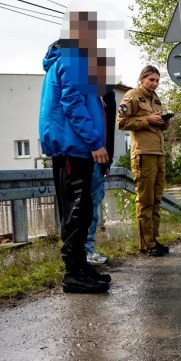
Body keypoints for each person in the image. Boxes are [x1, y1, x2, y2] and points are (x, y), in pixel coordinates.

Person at [38, 10, 111, 293]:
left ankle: (81, 266)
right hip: (74, 146)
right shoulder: (72, 60)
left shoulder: (70, 59)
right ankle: (74, 272)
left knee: (82, 209)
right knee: (77, 211)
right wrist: (95, 142)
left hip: (75, 146)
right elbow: (72, 105)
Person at [117, 65, 171, 256]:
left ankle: (153, 239)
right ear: (142, 79)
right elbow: (121, 123)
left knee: (156, 199)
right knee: (145, 199)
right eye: (151, 80)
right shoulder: (131, 97)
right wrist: (147, 119)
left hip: (158, 153)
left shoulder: (156, 99)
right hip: (143, 155)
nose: (155, 84)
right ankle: (145, 243)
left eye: (157, 80)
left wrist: (164, 123)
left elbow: (158, 126)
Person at [85, 55, 117, 265]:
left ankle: (88, 248)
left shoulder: (109, 96)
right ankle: (84, 251)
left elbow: (110, 131)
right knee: (85, 206)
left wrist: (108, 160)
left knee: (94, 205)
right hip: (85, 155)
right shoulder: (86, 92)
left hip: (101, 157)